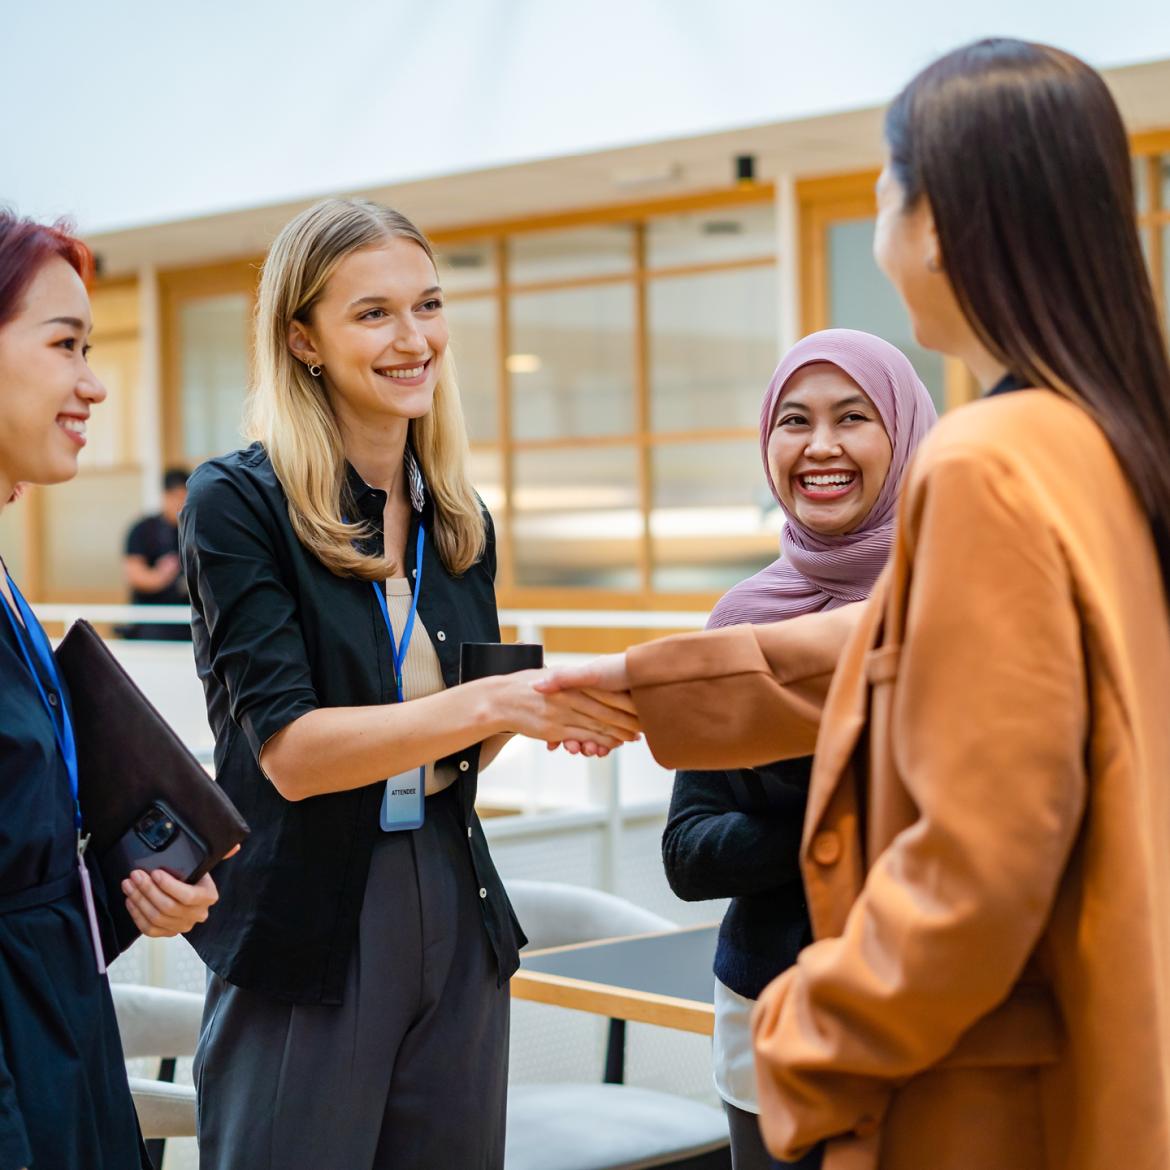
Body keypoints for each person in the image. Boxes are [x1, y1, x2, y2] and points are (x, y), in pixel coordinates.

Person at [540, 38, 1170, 1170]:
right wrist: (641, 685)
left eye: (884, 191)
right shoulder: (1108, 440)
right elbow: (891, 648)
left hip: (979, 1080)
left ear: (938, 225)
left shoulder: (986, 463)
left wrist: (813, 1032)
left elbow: (981, 858)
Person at [180, 197, 638, 1170]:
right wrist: (491, 702)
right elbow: (294, 756)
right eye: (373, 313)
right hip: (313, 911)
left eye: (427, 306)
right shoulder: (238, 502)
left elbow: (461, 735)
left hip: (452, 887)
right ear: (303, 339)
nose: (413, 338)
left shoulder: (458, 516)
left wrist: (543, 711)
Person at [664, 330, 934, 1170]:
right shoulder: (743, 621)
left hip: (941, 1009)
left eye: (853, 417)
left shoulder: (958, 600)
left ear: (905, 434)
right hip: (768, 1011)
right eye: (795, 420)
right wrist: (846, 827)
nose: (820, 446)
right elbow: (688, 854)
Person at [0, 212, 222, 1170]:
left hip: (61, 1062)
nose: (93, 383)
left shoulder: (8, 592)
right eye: (65, 345)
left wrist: (132, 895)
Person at [122, 466, 192, 641]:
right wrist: (161, 576)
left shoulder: (197, 530)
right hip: (152, 623)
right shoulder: (143, 529)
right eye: (176, 496)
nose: (180, 503)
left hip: (191, 623)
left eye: (185, 497)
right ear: (164, 496)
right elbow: (135, 575)